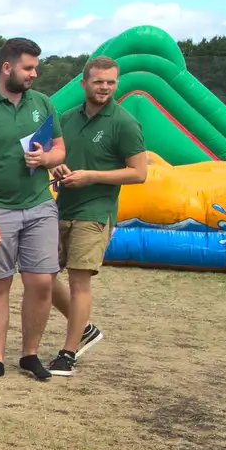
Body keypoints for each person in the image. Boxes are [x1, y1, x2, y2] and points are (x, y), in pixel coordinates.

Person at [0, 38, 66, 382]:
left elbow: (60, 150)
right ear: (7, 68)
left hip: (39, 205)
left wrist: (47, 158)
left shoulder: (43, 103)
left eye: (36, 67)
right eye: (28, 67)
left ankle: (30, 355)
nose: (34, 74)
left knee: (41, 283)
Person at [48, 56, 149, 375]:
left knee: (79, 281)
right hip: (61, 208)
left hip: (95, 214)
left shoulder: (124, 122)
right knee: (40, 276)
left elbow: (139, 173)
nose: (105, 87)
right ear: (84, 83)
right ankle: (86, 328)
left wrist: (91, 176)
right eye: (98, 81)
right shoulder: (66, 117)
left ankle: (68, 352)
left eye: (110, 82)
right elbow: (53, 153)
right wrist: (55, 165)